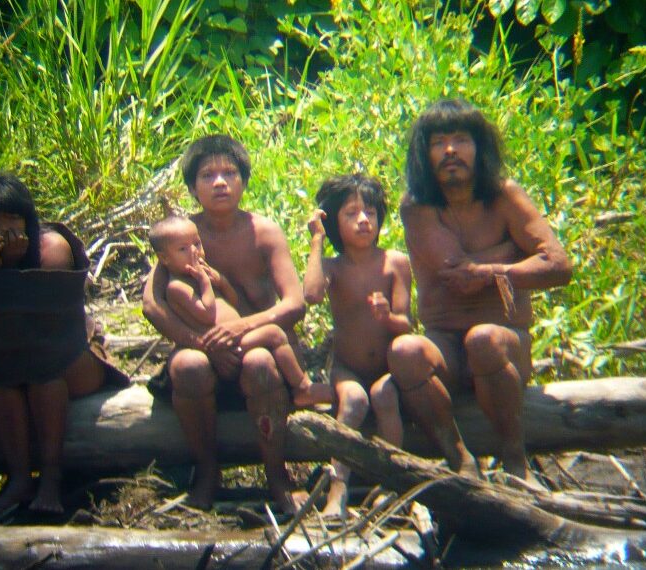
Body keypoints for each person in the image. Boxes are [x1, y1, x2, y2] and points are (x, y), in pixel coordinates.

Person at [396, 99, 573, 487]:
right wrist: (513, 254)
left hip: (503, 342)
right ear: (424, 154)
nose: (450, 151)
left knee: (483, 338)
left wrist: (493, 268)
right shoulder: (418, 206)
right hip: (445, 348)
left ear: (479, 147)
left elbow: (560, 266)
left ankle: (514, 458)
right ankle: (459, 459)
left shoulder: (506, 196)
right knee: (405, 351)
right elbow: (457, 273)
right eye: (438, 142)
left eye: (461, 140)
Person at [142, 135, 309, 513]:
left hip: (259, 350)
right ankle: (206, 471)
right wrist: (203, 344)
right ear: (191, 187)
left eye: (230, 173)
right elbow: (152, 304)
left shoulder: (263, 231)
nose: (220, 182)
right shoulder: (180, 235)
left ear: (244, 181)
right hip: (206, 351)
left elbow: (295, 303)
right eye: (207, 174)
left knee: (260, 364)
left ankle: (277, 476)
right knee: (187, 365)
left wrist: (241, 328)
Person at [0, 173, 127, 516]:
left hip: (67, 356)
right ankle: (18, 481)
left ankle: (50, 482)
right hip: (3, 362)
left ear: (27, 219)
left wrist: (15, 268)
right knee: (3, 377)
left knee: (44, 373)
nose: (4, 228)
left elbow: (52, 323)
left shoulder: (51, 247)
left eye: (13, 218)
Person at [304, 173, 434, 518]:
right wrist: (317, 240)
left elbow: (406, 323)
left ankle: (389, 486)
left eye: (371, 213)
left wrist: (387, 316)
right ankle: (337, 490)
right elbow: (312, 294)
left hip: (388, 368)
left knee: (383, 396)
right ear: (335, 223)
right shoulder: (333, 267)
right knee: (355, 402)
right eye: (351, 214)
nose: (364, 220)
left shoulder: (394, 262)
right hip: (347, 368)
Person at [149, 215, 333, 408]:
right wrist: (204, 282)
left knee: (271, 343)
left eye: (197, 244)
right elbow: (207, 313)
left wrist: (220, 281)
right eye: (183, 249)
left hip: (235, 339)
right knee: (274, 334)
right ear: (164, 258)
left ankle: (300, 386)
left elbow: (233, 301)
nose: (194, 252)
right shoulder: (177, 286)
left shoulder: (201, 276)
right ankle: (302, 386)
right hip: (224, 347)